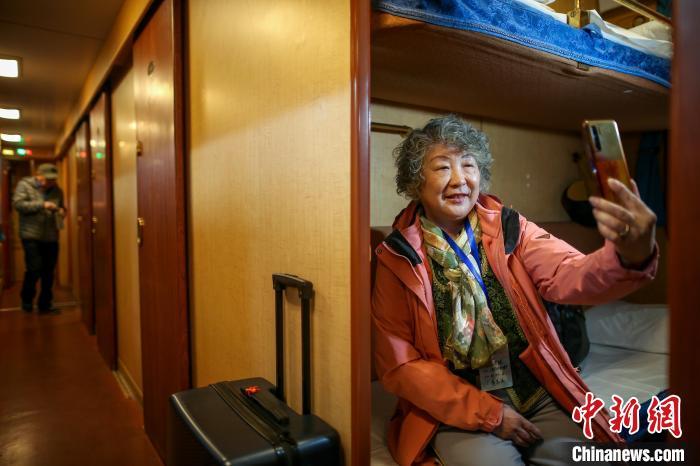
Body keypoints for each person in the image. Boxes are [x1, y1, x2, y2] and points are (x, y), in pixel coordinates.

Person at [372, 115, 658, 466]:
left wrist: (630, 255)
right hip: (458, 408)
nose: (460, 179)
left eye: (468, 165)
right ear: (416, 182)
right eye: (442, 167)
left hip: (536, 390)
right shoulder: (397, 256)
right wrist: (490, 414)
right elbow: (401, 365)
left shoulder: (510, 227)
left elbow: (569, 273)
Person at [12, 163, 65, 313]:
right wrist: (42, 205)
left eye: (53, 179)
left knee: (49, 272)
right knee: (34, 269)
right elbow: (18, 205)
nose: (50, 182)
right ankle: (27, 300)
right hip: (31, 235)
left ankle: (45, 304)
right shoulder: (25, 185)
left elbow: (61, 207)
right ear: (38, 175)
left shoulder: (57, 190)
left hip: (51, 236)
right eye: (47, 179)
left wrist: (62, 211)